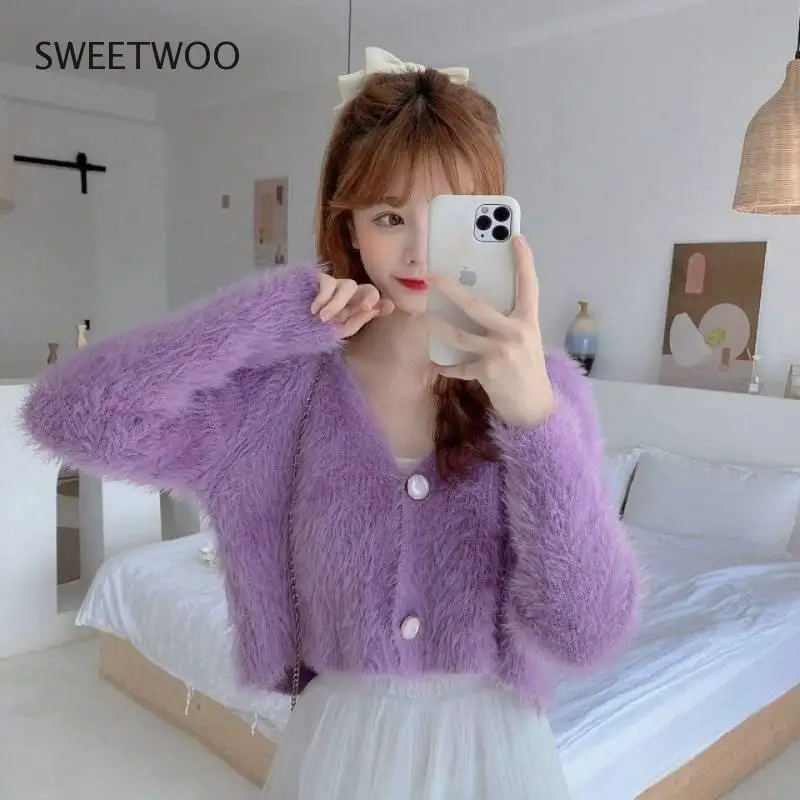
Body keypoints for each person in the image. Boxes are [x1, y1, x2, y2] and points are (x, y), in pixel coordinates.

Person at [21, 46, 643, 800]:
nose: (418, 249)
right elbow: (70, 415)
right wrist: (261, 317)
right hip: (341, 748)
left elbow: (587, 632)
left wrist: (534, 419)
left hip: (497, 752)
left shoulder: (546, 394)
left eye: (447, 216)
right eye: (389, 216)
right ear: (348, 227)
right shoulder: (285, 394)